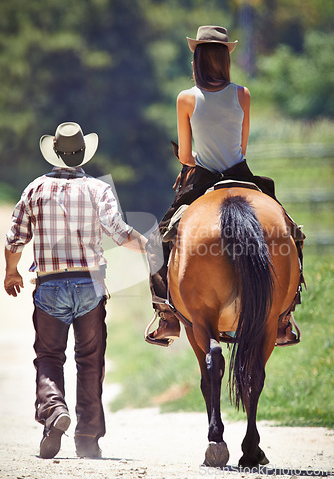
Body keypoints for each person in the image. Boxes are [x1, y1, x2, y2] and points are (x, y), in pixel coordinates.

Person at [145, 26, 304, 347]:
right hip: (240, 172)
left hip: (203, 176)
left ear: (198, 61)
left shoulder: (186, 98)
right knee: (290, 231)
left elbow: (187, 155)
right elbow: (241, 148)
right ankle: (285, 317)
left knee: (159, 238)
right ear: (224, 61)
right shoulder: (242, 94)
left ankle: (166, 315)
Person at [4, 122, 147, 459]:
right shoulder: (98, 189)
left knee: (50, 357)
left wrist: (11, 272)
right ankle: (87, 436)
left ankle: (54, 411)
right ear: (83, 153)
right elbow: (119, 231)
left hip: (50, 285)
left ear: (54, 152)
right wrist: (149, 251)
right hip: (89, 286)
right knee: (90, 361)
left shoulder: (35, 188)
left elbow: (14, 238)